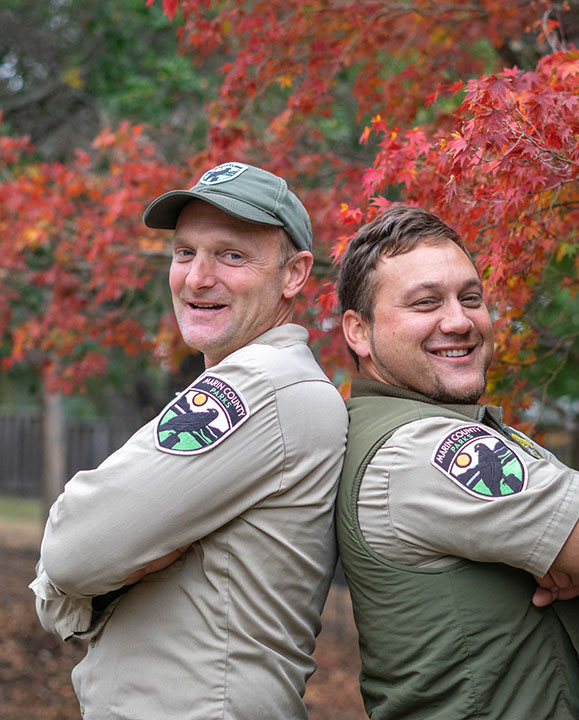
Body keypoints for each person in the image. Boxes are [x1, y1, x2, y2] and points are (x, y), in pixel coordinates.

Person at [30, 161, 348, 719]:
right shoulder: (260, 383)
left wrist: (86, 574)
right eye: (184, 253)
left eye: (232, 255)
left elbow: (72, 550)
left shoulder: (261, 387)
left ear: (294, 274)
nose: (197, 278)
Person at [335, 204, 579, 720]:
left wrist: (573, 548)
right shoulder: (419, 450)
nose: (459, 321)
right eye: (426, 302)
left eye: (470, 298)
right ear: (359, 332)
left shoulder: (442, 426)